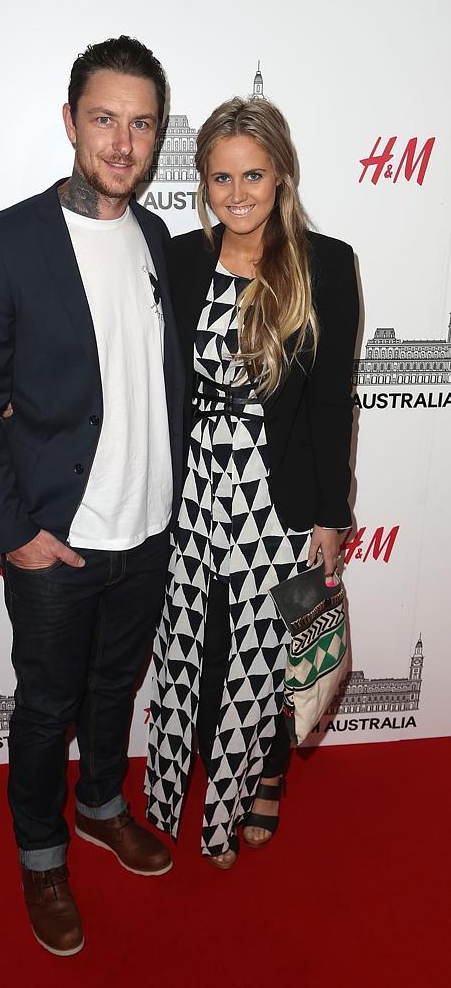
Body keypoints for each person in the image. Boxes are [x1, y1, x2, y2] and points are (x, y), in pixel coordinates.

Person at [0, 36, 184, 956]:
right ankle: (42, 854)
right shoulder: (2, 243)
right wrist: (15, 532)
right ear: (69, 123)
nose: (123, 143)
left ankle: (99, 806)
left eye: (141, 123)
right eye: (104, 119)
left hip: (148, 527)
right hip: (56, 538)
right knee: (46, 704)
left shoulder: (159, 239)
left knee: (116, 686)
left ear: (157, 135)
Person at [145, 97, 359, 868]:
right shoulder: (180, 256)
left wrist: (332, 514)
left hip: (278, 493)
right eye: (220, 177)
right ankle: (188, 784)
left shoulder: (326, 263)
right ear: (202, 180)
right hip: (193, 485)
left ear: (282, 175)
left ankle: (264, 775)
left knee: (266, 650)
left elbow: (334, 400)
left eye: (254, 175)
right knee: (195, 647)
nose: (237, 194)